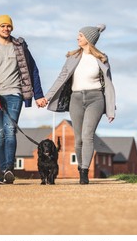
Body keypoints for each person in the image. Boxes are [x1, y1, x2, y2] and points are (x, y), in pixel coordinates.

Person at [0, 15, 47, 185]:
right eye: (2, 26)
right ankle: (3, 170)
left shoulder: (20, 47)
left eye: (8, 26)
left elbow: (32, 70)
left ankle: (9, 170)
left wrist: (39, 95)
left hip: (14, 94)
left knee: (9, 131)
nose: (6, 29)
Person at [45, 24, 116, 184]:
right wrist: (47, 97)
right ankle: (80, 166)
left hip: (96, 99)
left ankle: (84, 171)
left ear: (89, 39)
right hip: (76, 99)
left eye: (81, 36)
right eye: (78, 35)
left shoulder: (101, 58)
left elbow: (109, 84)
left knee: (87, 136)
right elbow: (61, 78)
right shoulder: (73, 57)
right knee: (78, 139)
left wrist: (111, 108)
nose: (78, 38)